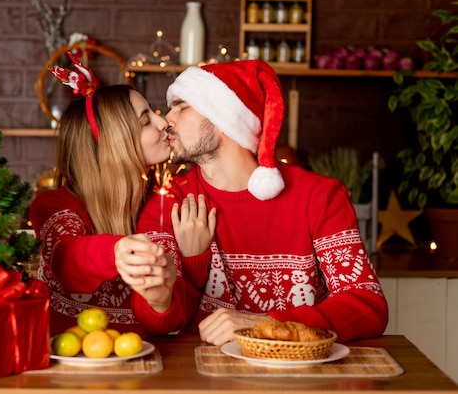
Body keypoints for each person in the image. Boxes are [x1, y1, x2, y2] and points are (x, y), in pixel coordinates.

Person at [136, 59, 389, 346]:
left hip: (302, 376)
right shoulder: (169, 201)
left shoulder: (319, 196)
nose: (167, 120)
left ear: (222, 117)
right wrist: (190, 268)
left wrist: (265, 324)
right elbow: (157, 321)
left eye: (181, 106)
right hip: (207, 378)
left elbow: (368, 305)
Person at [30, 54, 215, 336]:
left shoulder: (162, 205)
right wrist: (117, 251)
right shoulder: (56, 205)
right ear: (115, 144)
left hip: (140, 367)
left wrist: (188, 266)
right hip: (64, 369)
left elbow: (171, 320)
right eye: (145, 121)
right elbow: (63, 259)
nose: (163, 122)